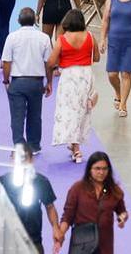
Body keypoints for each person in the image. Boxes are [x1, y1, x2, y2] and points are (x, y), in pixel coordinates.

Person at [1, 7, 54, 154]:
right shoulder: (44, 38)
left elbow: (6, 61)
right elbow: (48, 63)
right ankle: (34, 146)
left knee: (17, 116)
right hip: (36, 82)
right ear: (35, 20)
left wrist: (6, 80)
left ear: (18, 20)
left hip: (18, 81)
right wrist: (49, 82)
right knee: (35, 115)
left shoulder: (12, 37)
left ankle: (19, 145)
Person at [49, 9, 99, 163]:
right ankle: (75, 144)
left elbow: (51, 62)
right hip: (86, 75)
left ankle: (76, 149)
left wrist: (51, 76)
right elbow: (96, 57)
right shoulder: (90, 37)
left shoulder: (62, 39)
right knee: (82, 110)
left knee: (68, 110)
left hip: (70, 76)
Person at [56, 152, 128, 254]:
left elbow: (122, 211)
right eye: (97, 168)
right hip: (82, 244)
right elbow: (68, 216)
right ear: (90, 169)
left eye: (104, 169)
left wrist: (122, 218)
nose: (101, 172)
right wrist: (60, 234)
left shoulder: (115, 190)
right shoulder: (77, 189)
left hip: (105, 244)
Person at [0, 145, 60, 252]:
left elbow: (50, 207)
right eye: (17, 158)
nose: (20, 162)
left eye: (24, 158)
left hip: (33, 239)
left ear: (31, 160)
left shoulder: (41, 182)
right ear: (11, 160)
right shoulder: (1, 182)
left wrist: (55, 227)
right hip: (7, 237)